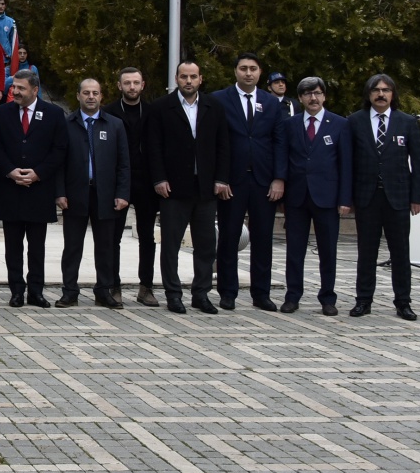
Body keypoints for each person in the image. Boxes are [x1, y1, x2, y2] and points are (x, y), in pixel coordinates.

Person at [147, 61, 226, 314]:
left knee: (205, 245)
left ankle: (201, 294)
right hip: (173, 189)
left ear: (201, 79)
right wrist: (159, 179)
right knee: (170, 244)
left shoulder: (214, 107)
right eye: (184, 77)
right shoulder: (161, 107)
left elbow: (223, 146)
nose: (188, 81)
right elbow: (153, 147)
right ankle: (173, 294)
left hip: (205, 189)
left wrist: (221, 179)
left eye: (193, 76)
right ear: (177, 78)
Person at [270, 76, 352, 316]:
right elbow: (283, 157)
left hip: (327, 197)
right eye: (307, 94)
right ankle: (292, 296)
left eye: (317, 93)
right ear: (301, 98)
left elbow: (345, 164)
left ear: (324, 96)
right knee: (295, 250)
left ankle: (328, 298)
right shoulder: (290, 124)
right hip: (297, 197)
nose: (312, 98)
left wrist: (345, 199)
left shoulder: (339, 124)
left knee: (328, 251)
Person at [347, 73, 420, 320]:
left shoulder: (407, 122)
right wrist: (347, 199)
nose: (381, 94)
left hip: (398, 198)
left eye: (386, 90)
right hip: (366, 197)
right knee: (366, 252)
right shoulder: (354, 121)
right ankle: (363, 300)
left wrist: (417, 197)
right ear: (368, 94)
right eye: (376, 90)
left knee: (400, 252)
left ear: (393, 94)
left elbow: (419, 163)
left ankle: (403, 302)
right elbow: (348, 163)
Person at [211, 53, 282, 311]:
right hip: (232, 181)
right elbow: (216, 142)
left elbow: (279, 142)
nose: (248, 73)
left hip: (264, 182)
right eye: (243, 68)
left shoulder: (272, 103)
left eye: (253, 69)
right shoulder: (219, 100)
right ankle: (227, 292)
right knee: (229, 237)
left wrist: (278, 178)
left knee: (263, 238)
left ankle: (261, 293)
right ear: (235, 72)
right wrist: (220, 178)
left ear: (260, 72)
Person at [0, 68, 67, 308]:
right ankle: (16, 291)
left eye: (21, 88)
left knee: (37, 247)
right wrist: (9, 170)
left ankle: (36, 291)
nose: (15, 92)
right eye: (14, 87)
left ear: (35, 90)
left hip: (39, 190)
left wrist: (38, 173)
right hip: (10, 188)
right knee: (12, 246)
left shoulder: (54, 113)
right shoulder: (2, 113)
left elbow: (59, 149)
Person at [58, 78, 132, 308]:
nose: (91, 97)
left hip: (106, 196)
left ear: (101, 96)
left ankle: (104, 291)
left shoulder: (115, 125)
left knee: (105, 246)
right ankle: (70, 291)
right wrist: (59, 192)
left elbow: (123, 164)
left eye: (95, 93)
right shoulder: (67, 124)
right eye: (86, 93)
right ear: (78, 96)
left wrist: (122, 193)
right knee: (72, 247)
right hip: (74, 195)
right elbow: (58, 162)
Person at [103, 67, 157, 307]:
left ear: (143, 85)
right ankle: (113, 285)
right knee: (113, 237)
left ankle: (146, 287)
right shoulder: (109, 112)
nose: (132, 87)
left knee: (147, 236)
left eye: (136, 83)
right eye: (127, 83)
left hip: (147, 182)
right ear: (119, 86)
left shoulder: (153, 112)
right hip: (118, 182)